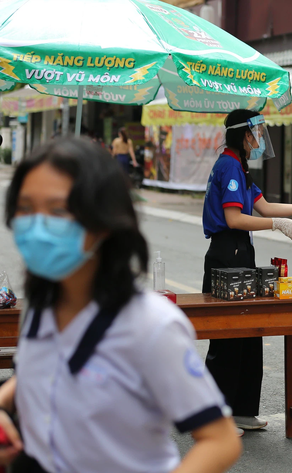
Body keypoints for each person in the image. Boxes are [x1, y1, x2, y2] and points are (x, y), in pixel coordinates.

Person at [0, 138, 241, 473]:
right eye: (26, 208)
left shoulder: (151, 326)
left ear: (103, 221)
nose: (38, 225)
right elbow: (44, 367)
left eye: (57, 210)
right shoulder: (41, 306)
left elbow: (221, 440)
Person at [201, 109, 292, 432]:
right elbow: (235, 219)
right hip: (226, 252)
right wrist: (276, 225)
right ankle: (218, 416)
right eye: (257, 132)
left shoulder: (240, 166)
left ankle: (243, 409)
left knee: (249, 334)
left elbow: (264, 206)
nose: (260, 137)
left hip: (240, 251)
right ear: (244, 134)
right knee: (227, 339)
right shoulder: (229, 166)